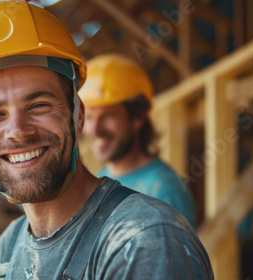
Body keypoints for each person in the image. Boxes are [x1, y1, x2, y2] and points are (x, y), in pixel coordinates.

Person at [0, 1, 213, 279]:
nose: (17, 131)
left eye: (38, 105)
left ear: (77, 116)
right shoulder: (7, 250)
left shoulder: (143, 241)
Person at [79, 54, 197, 229]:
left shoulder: (164, 189)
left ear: (138, 117)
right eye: (88, 117)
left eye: (108, 116)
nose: (95, 130)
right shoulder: (98, 181)